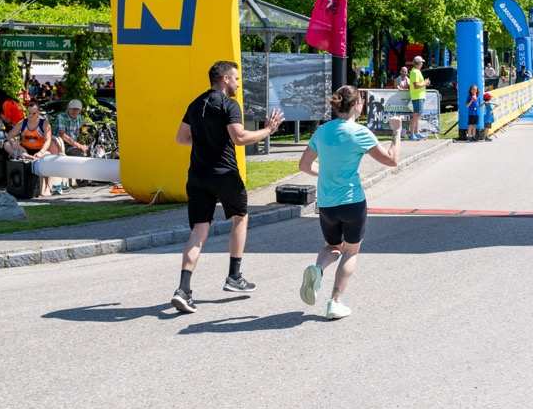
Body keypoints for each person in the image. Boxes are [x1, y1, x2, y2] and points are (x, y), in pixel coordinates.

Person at [170, 60, 284, 314]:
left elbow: (181, 138)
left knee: (199, 231)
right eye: (236, 79)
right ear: (224, 79)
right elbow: (240, 137)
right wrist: (268, 130)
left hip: (197, 176)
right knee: (240, 217)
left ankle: (183, 290)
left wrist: (206, 140)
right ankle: (234, 276)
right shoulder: (229, 105)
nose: (238, 84)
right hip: (224, 174)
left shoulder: (195, 104)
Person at [298, 86, 402, 320]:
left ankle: (318, 269)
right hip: (352, 201)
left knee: (332, 246)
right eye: (361, 101)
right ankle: (335, 302)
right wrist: (396, 132)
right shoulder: (360, 133)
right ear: (356, 105)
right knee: (351, 251)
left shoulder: (322, 132)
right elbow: (392, 160)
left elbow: (304, 165)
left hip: (326, 203)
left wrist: (325, 173)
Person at [407, 55, 430, 140]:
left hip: (419, 96)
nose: (422, 64)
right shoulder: (415, 72)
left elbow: (417, 85)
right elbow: (416, 85)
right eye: (421, 63)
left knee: (417, 115)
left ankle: (416, 133)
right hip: (417, 96)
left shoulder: (416, 71)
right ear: (418, 63)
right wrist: (425, 83)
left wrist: (424, 83)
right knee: (416, 115)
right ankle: (412, 134)